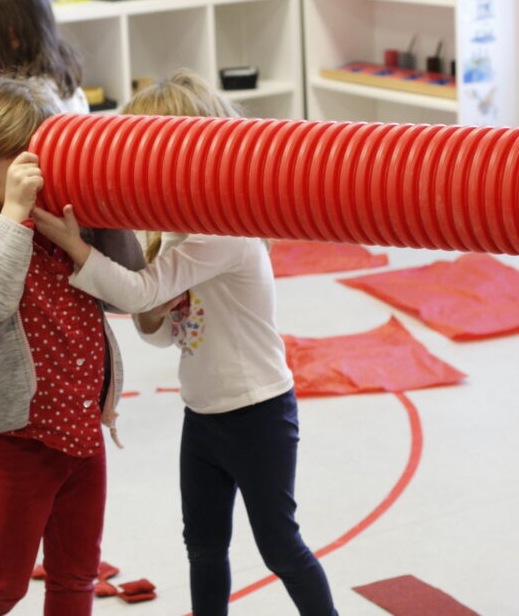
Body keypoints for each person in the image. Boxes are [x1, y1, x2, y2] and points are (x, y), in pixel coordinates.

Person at [33, 70, 338, 616]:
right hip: (203, 415)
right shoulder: (180, 230)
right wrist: (154, 316)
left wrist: (77, 248)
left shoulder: (223, 233)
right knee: (203, 546)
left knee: (279, 546)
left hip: (258, 414)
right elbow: (165, 327)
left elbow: (138, 290)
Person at [0, 78, 142, 615]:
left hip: (83, 430)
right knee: (1, 586)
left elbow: (125, 288)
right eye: (26, 165)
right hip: (16, 443)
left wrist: (106, 214)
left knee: (76, 578)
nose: (43, 178)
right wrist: (14, 215)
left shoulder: (66, 222)